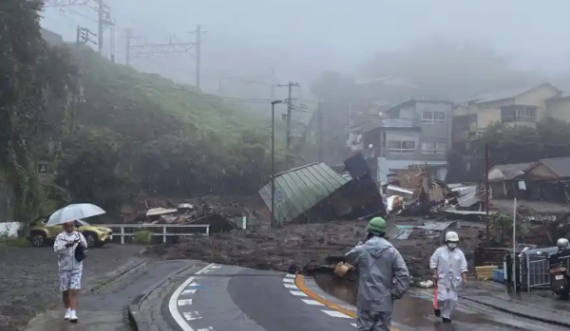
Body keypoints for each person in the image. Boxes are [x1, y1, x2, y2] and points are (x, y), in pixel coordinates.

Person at [345, 217, 410, 331]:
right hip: (384, 302)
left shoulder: (362, 249)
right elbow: (403, 274)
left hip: (365, 300)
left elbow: (348, 257)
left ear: (368, 231)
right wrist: (397, 292)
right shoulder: (392, 251)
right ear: (384, 232)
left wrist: (361, 242)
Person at [430, 230, 468, 324]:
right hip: (442, 279)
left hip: (455, 281)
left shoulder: (460, 253)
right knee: (442, 298)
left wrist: (465, 279)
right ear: (447, 241)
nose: (453, 244)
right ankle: (436, 306)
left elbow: (463, 266)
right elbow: (433, 261)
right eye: (451, 242)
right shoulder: (439, 251)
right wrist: (435, 273)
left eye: (454, 242)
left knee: (452, 299)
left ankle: (446, 315)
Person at [54, 220, 87, 323]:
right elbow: (56, 250)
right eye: (67, 226)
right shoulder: (60, 237)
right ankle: (68, 310)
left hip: (77, 266)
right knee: (65, 290)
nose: (70, 228)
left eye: (71, 226)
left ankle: (73, 313)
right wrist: (65, 246)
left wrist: (82, 245)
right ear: (64, 226)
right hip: (64, 267)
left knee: (74, 289)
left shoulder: (79, 235)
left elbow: (85, 249)